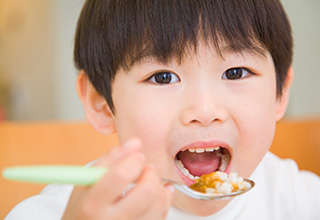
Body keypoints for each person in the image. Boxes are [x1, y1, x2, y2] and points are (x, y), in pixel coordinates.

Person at [6, 0, 320, 219]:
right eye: (163, 77)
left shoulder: (294, 196)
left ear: (280, 92)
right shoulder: (63, 212)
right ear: (101, 102)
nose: (205, 110)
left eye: (235, 72)